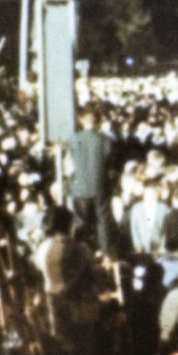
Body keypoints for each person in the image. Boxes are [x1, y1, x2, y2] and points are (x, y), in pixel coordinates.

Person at [35, 206, 100, 355]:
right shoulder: (79, 248)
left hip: (52, 306)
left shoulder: (42, 248)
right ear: (69, 225)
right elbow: (92, 276)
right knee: (80, 354)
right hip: (76, 309)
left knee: (58, 352)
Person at [68, 108, 113, 255]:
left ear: (81, 121)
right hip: (99, 186)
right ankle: (105, 252)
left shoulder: (74, 139)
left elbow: (73, 161)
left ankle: (81, 253)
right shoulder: (105, 140)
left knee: (80, 221)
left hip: (79, 187)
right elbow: (108, 161)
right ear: (98, 122)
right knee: (102, 221)